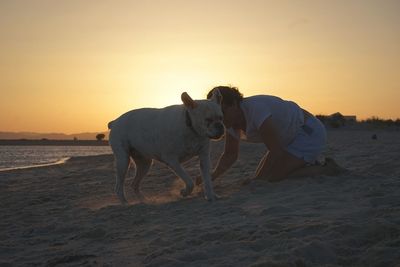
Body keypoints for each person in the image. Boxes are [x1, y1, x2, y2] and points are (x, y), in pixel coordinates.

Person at [203, 85, 342, 184]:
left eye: (223, 111)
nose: (220, 117)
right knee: (263, 177)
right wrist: (212, 177)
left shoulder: (256, 109)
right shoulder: (229, 122)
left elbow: (275, 151)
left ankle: (326, 169)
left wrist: (258, 181)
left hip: (308, 132)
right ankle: (302, 163)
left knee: (274, 178)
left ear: (234, 104)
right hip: (286, 140)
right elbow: (230, 155)